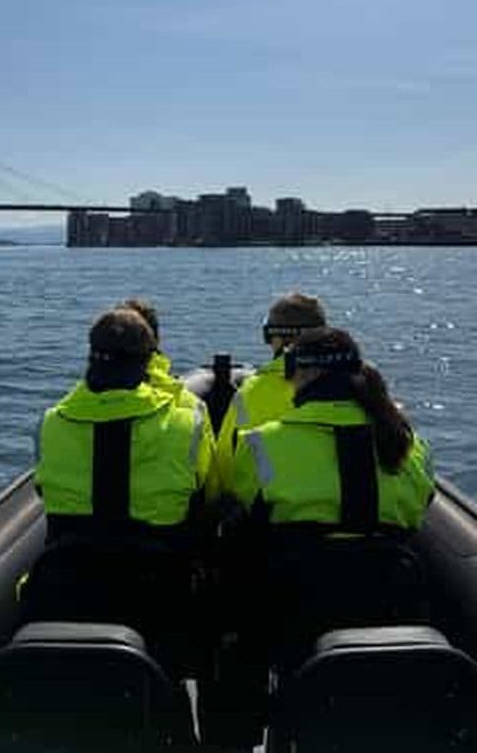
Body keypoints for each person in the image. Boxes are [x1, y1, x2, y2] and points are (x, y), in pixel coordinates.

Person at [25, 307, 216, 692]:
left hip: (68, 594)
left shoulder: (50, 423)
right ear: (150, 359)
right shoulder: (188, 421)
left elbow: (44, 493)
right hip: (159, 601)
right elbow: (208, 494)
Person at [229, 326, 435, 667]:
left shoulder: (261, 445)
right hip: (389, 609)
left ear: (304, 372)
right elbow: (420, 508)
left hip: (294, 618)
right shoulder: (411, 447)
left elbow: (241, 501)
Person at [216, 292, 326, 490]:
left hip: (269, 510)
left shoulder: (250, 394)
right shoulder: (359, 386)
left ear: (274, 336)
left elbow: (225, 463)